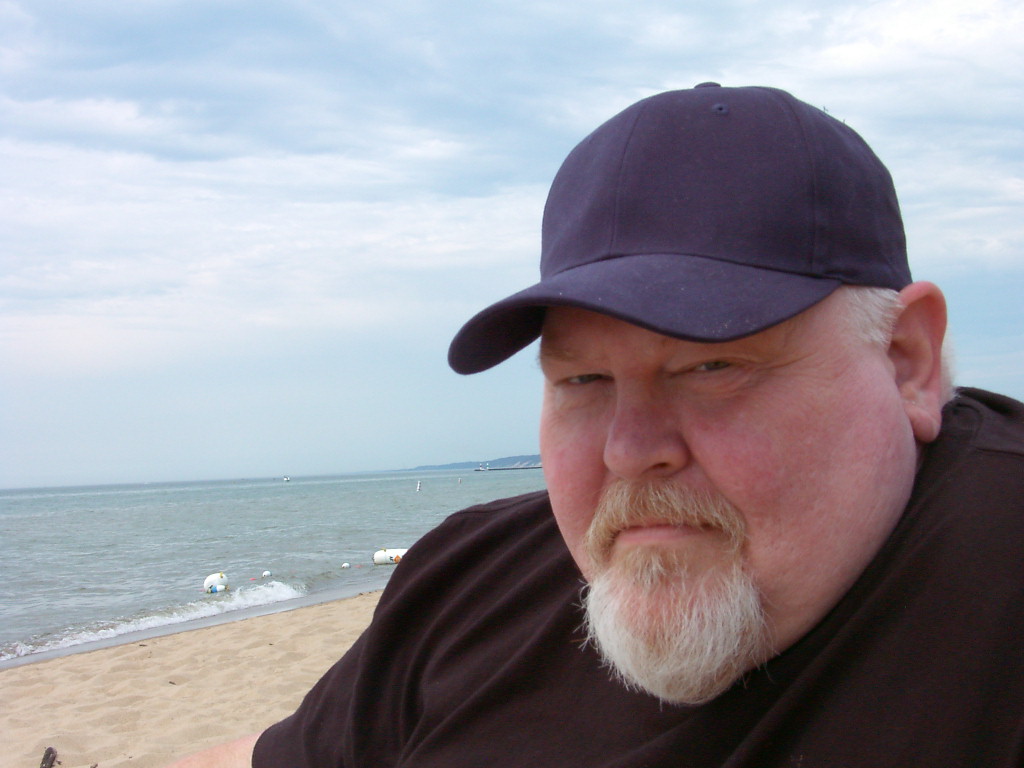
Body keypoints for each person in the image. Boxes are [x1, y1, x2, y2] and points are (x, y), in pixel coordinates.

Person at [171, 84, 1024, 767]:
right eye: (581, 379)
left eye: (710, 365)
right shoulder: (469, 582)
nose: (629, 449)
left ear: (907, 359)